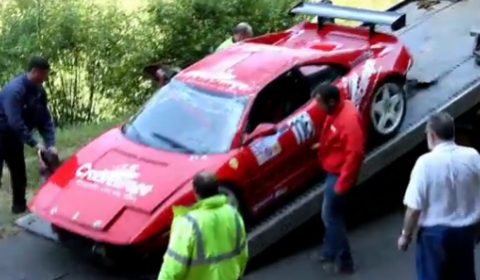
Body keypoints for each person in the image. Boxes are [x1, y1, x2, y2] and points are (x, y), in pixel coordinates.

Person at [398, 112, 480, 280]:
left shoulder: (424, 163)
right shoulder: (472, 156)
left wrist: (406, 235)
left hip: (434, 237)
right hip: (465, 234)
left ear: (432, 135)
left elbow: (413, 208)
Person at [157, 171, 248, 280]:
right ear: (217, 189)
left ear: (195, 191)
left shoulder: (188, 223)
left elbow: (173, 266)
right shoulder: (233, 215)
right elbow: (242, 253)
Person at [313, 84, 365, 274]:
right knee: (331, 216)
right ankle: (330, 251)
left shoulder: (348, 120)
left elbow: (355, 153)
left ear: (332, 101)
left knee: (331, 217)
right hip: (334, 171)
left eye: (320, 103)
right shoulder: (339, 111)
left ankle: (344, 261)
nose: (318, 107)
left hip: (339, 175)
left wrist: (342, 184)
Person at [0, 56, 57, 214]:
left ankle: (19, 208)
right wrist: (34, 142)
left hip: (14, 137)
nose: (45, 78)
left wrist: (50, 143)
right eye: (44, 74)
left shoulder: (39, 91)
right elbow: (14, 121)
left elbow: (44, 118)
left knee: (19, 173)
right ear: (35, 71)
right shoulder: (14, 91)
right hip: (3, 131)